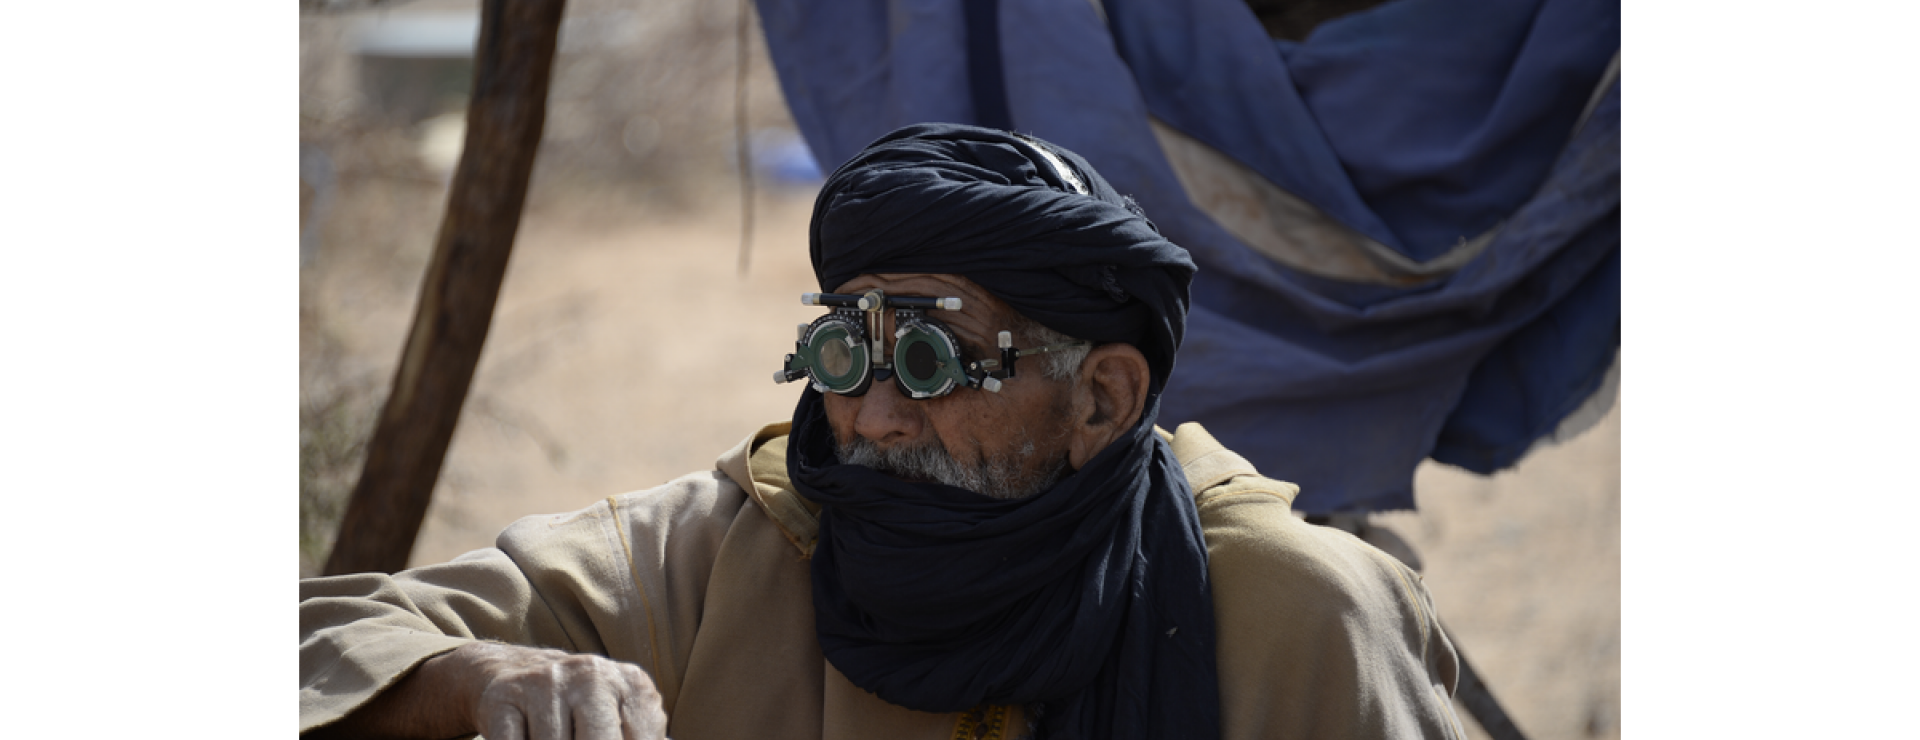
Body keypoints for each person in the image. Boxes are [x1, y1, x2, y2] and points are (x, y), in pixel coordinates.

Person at [300, 123, 1468, 740]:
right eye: (844, 353)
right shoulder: (729, 555)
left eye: (931, 357)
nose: (872, 412)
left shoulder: (1293, 612)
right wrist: (475, 670)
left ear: (1101, 400)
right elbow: (335, 642)